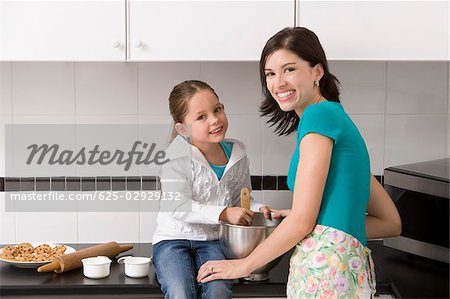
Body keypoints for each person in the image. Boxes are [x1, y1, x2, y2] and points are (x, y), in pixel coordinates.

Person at [197, 27, 402, 298]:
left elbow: (303, 222)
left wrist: (242, 265)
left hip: (324, 274)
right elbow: (390, 222)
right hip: (347, 272)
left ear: (317, 72)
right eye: (270, 74)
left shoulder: (318, 119)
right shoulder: (337, 119)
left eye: (289, 69)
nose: (277, 83)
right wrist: (316, 220)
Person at [152, 80, 267, 299]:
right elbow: (178, 206)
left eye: (217, 109)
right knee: (180, 291)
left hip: (213, 240)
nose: (215, 120)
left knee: (219, 288)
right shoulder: (175, 157)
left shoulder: (237, 154)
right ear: (182, 128)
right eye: (201, 116)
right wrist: (223, 213)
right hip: (172, 240)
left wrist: (261, 209)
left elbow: (240, 199)